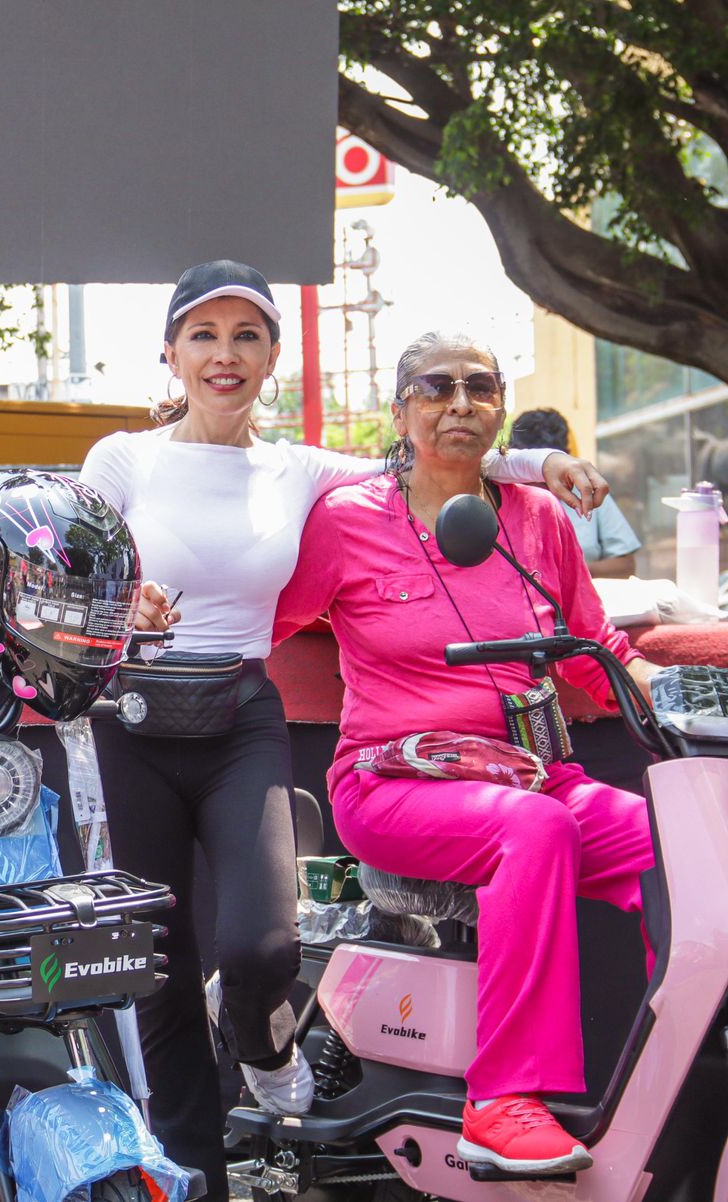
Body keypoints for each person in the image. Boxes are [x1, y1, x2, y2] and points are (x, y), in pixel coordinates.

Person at [74, 261, 606, 1195]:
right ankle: (197, 1174)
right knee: (159, 962)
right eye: (204, 336)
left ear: (271, 356)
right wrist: (124, 606)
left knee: (262, 949)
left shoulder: (302, 469)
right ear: (171, 353)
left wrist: (544, 465)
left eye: (246, 336)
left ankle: (264, 1044)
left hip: (242, 715)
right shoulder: (122, 459)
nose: (225, 355)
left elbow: (442, 452)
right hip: (134, 715)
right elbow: (70, 580)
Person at [273, 330, 656, 1176]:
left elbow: (593, 645)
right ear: (399, 411)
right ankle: (504, 1101)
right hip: (391, 784)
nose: (459, 403)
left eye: (480, 387)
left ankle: (681, 1072)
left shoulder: (537, 518)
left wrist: (675, 693)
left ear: (501, 408)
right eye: (436, 387)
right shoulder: (347, 520)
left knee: (683, 849)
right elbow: (262, 619)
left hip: (533, 773)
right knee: (534, 830)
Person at [509, 407, 642, 578]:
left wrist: (572, 572)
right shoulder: (500, 497)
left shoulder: (587, 492)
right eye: (532, 475)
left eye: (548, 475)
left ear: (565, 459)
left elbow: (625, 565)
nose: (543, 487)